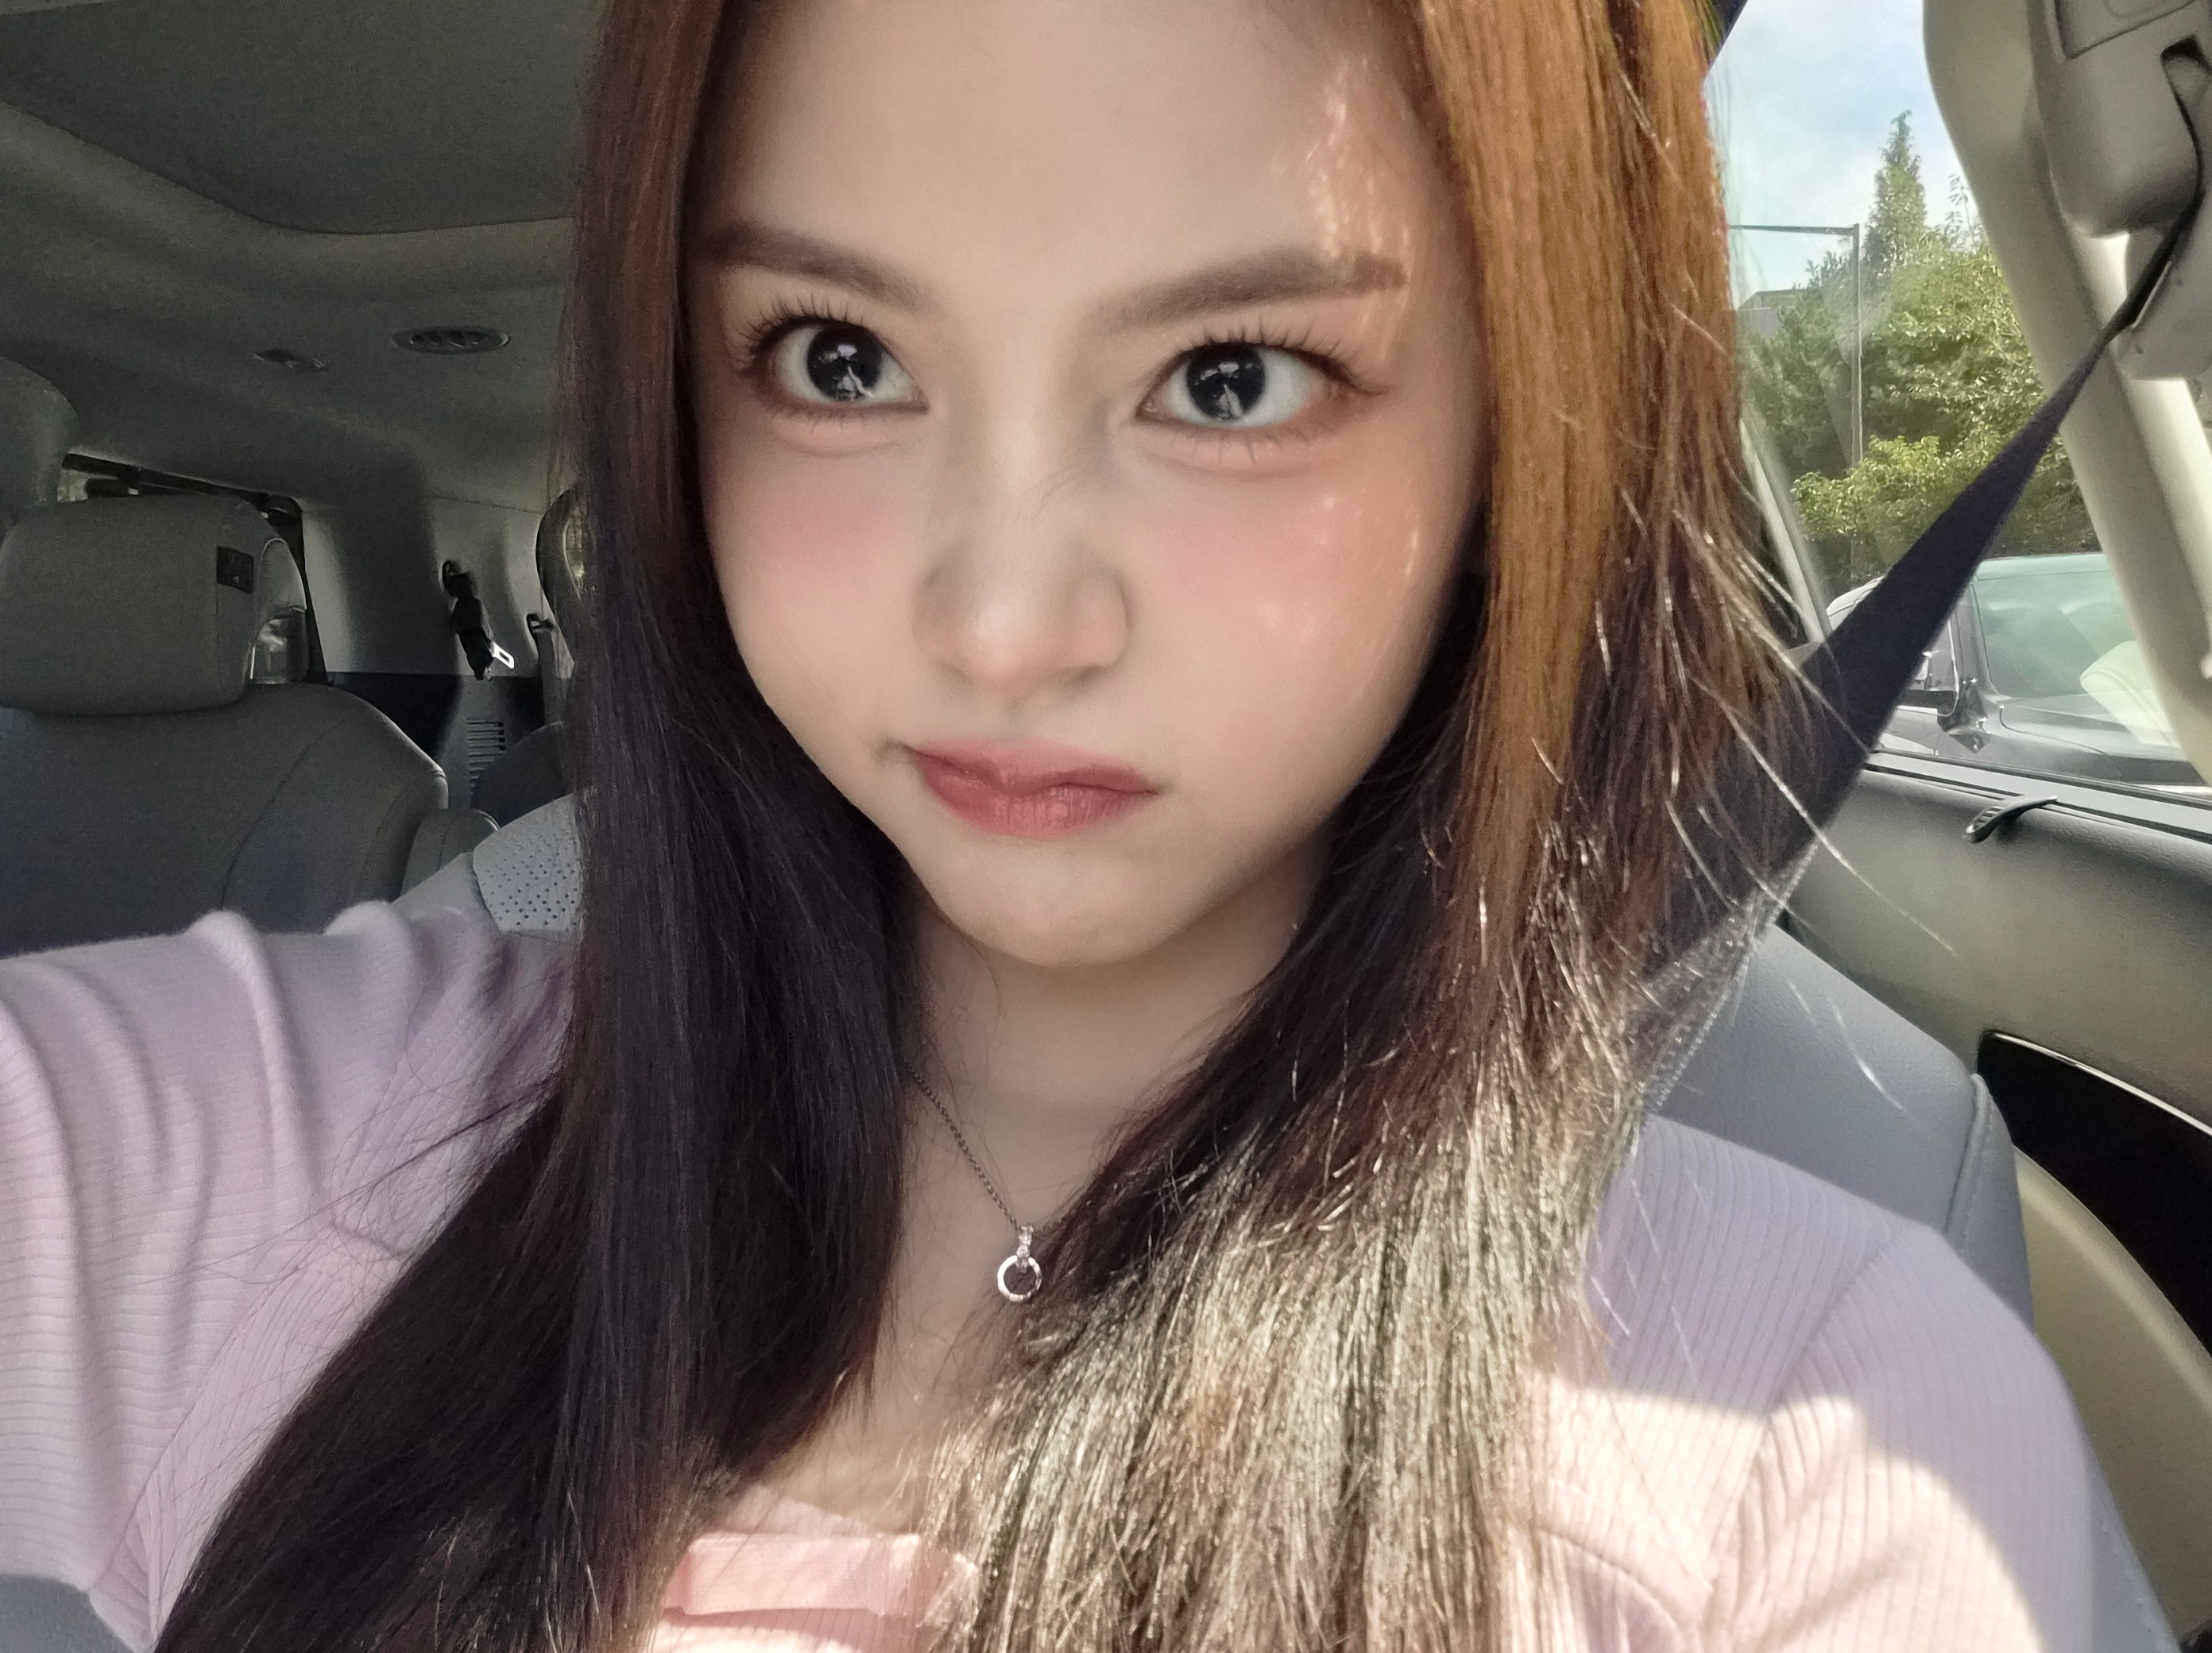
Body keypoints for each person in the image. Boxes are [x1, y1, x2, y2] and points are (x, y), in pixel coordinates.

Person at [0, 0, 2097, 1648]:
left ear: (1515, 440)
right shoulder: (293, 1156)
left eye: (1233, 378)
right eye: (838, 359)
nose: (1004, 627)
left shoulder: (1815, 1437)